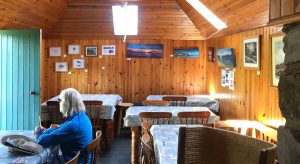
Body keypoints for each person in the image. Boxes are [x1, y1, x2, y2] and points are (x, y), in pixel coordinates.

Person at [37, 88, 92, 164]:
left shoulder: (73, 125)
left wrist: (46, 131)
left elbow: (41, 141)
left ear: (66, 104)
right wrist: (51, 129)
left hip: (74, 161)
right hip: (82, 158)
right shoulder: (82, 116)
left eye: (60, 101)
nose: (59, 103)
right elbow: (62, 127)